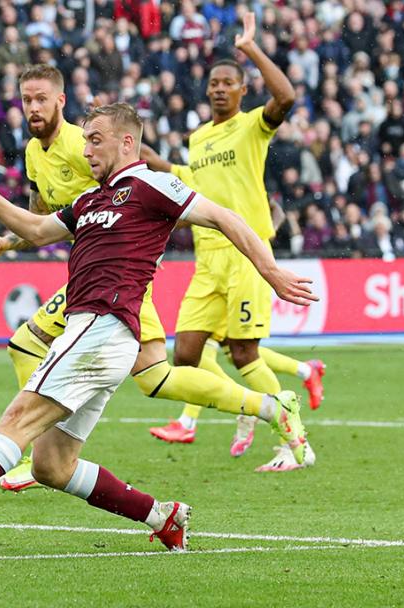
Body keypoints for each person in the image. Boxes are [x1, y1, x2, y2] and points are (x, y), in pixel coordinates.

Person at [0, 103, 316, 550]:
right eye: (85, 141)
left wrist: (271, 273)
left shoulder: (149, 185)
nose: (87, 150)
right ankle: (163, 516)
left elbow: (224, 217)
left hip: (101, 326)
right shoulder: (90, 199)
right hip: (100, 336)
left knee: (17, 420)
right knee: (52, 466)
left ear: (128, 142)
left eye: (96, 140)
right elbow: (37, 231)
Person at [0, 65, 300, 491]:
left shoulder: (84, 143)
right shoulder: (34, 155)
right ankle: (270, 406)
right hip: (91, 276)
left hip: (116, 279)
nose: (32, 107)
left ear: (61, 100)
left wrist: (146, 239)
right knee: (156, 377)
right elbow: (45, 223)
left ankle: (31, 450)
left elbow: (141, 194)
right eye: (26, 99)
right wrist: (7, 241)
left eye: (41, 98)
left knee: (26, 343)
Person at [140, 13, 325, 470]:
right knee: (183, 355)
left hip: (247, 252)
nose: (220, 88)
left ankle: (291, 436)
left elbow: (286, 96)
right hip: (208, 257)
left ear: (242, 91)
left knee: (244, 352)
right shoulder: (198, 138)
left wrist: (251, 49)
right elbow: (186, 178)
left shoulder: (251, 126)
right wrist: (145, 155)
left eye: (229, 83)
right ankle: (250, 407)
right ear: (207, 91)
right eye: (215, 83)